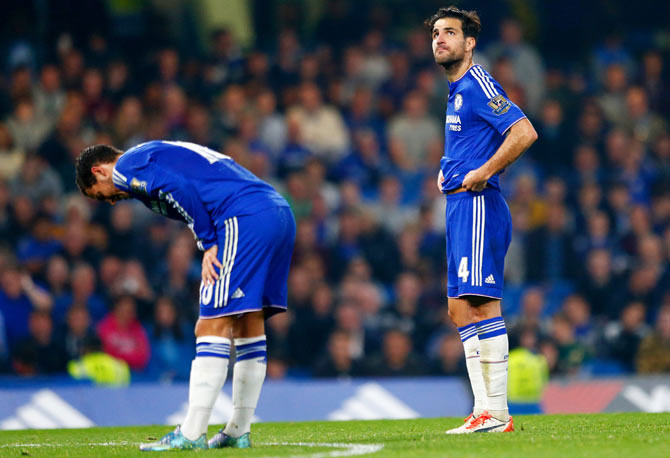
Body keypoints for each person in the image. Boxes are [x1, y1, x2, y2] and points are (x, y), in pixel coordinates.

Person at [74, 140, 295, 450]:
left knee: (210, 325)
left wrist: (208, 243)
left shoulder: (124, 168)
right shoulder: (152, 151)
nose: (110, 202)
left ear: (99, 171)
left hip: (242, 217)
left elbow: (178, 188)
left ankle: (191, 433)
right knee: (248, 323)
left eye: (100, 194)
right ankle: (238, 430)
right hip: (277, 211)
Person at [426, 6, 538, 434]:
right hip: (457, 205)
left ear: (469, 43)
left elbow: (523, 131)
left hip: (477, 205)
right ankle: (483, 409)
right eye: (436, 33)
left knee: (481, 304)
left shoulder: (477, 82)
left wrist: (483, 172)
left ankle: (497, 413)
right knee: (458, 309)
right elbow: (469, 138)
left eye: (450, 33)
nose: (440, 39)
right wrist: (448, 166)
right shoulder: (455, 90)